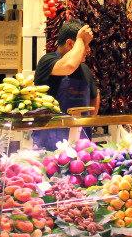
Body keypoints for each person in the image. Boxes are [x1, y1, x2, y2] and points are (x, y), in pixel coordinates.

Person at [33, 20, 97, 149]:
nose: (88, 50)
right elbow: (68, 66)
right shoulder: (48, 61)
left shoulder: (85, 69)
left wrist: (86, 124)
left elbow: (94, 98)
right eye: (86, 45)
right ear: (70, 43)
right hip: (49, 143)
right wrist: (80, 39)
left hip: (81, 143)